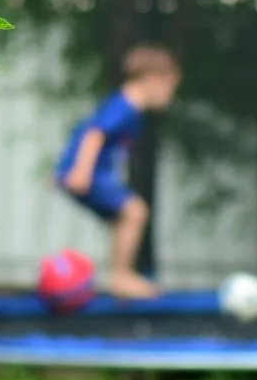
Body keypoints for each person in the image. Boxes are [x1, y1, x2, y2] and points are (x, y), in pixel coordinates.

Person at [56, 45, 181, 299]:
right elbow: (94, 134)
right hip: (88, 173)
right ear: (153, 79)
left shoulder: (130, 108)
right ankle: (121, 277)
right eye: (169, 87)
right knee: (136, 212)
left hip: (92, 172)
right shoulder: (126, 105)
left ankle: (120, 276)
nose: (170, 96)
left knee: (123, 219)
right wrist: (80, 170)